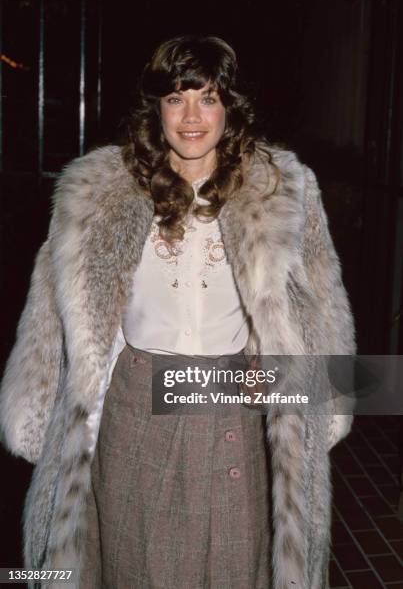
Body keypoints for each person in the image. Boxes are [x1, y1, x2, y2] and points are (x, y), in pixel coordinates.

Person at [0, 34, 356, 589]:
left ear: (229, 108)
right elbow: (50, 313)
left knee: (237, 568)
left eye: (207, 97)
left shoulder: (283, 190)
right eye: (176, 98)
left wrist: (324, 399)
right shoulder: (98, 192)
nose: (191, 116)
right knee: (134, 567)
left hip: (232, 405)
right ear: (156, 108)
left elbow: (321, 302)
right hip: (134, 411)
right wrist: (34, 410)